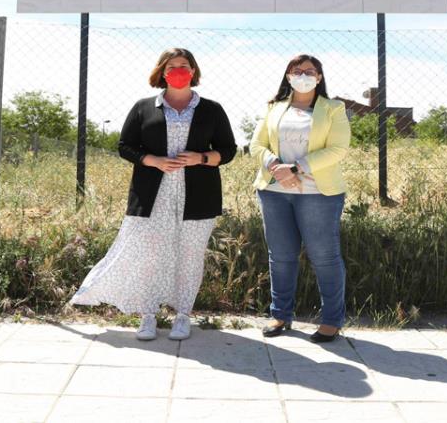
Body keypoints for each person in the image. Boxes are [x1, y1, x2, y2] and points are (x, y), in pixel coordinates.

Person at [71, 48, 237, 340]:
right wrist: (154, 161)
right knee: (149, 257)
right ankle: (148, 316)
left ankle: (182, 316)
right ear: (162, 72)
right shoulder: (144, 107)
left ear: (193, 71)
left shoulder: (212, 109)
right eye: (171, 66)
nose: (178, 70)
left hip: (198, 197)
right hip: (152, 195)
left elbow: (228, 150)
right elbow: (125, 146)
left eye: (184, 65)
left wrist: (200, 158)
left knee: (190, 257)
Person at [249, 54, 351, 343]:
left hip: (318, 194)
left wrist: (295, 168)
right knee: (281, 256)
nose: (303, 75)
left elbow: (338, 149)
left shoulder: (333, 109)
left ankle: (331, 320)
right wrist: (276, 167)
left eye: (310, 71)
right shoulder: (274, 107)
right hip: (275, 192)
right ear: (288, 76)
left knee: (325, 257)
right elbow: (257, 145)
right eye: (297, 71)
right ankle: (280, 314)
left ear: (319, 77)